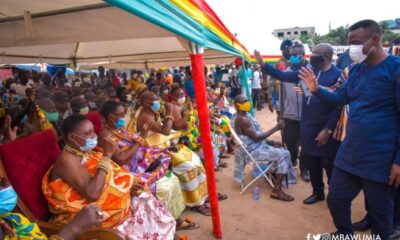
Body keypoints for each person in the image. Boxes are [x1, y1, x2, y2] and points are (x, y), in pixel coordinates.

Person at [298, 19, 400, 239]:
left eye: (356, 42)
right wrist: (316, 90)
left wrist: (399, 161)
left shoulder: (395, 69)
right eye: (349, 42)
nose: (352, 47)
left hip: (380, 156)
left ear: (375, 40)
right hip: (351, 151)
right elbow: (340, 98)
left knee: (380, 213)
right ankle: (345, 234)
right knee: (336, 199)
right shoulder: (355, 70)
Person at [42, 114, 176, 239]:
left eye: (93, 131)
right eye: (88, 133)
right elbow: (92, 193)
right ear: (71, 138)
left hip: (115, 203)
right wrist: (107, 154)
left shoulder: (82, 152)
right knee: (146, 213)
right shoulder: (67, 160)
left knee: (147, 201)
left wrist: (128, 187)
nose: (94, 136)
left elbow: (111, 174)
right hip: (87, 216)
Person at [255, 43, 342, 205]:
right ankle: (318, 193)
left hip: (326, 127)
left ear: (328, 56)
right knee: (312, 162)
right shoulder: (307, 72)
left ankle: (334, 196)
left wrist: (328, 129)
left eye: (317, 53)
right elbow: (283, 76)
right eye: (313, 52)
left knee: (329, 164)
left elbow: (339, 105)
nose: (313, 55)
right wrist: (263, 65)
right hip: (308, 124)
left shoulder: (338, 75)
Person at [137, 91, 212, 216]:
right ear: (145, 103)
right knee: (188, 167)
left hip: (164, 147)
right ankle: (195, 202)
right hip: (155, 153)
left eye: (157, 98)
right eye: (154, 99)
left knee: (195, 160)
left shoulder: (152, 113)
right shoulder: (145, 117)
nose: (157, 101)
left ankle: (202, 194)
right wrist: (169, 112)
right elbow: (165, 131)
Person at [233, 94, 295, 201]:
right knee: (285, 154)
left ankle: (272, 173)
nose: (248, 103)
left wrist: (270, 142)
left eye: (248, 100)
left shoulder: (245, 115)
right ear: (238, 105)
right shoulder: (242, 119)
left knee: (280, 147)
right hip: (253, 150)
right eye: (244, 102)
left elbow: (253, 137)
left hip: (255, 145)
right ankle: (277, 190)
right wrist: (276, 128)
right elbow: (256, 137)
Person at [0, 177, 103, 240]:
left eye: (0, 179)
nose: (6, 184)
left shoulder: (12, 219)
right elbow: (92, 193)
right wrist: (74, 228)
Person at [281, 43, 310, 182]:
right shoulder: (286, 72)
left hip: (307, 113)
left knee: (306, 142)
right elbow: (283, 93)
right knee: (290, 140)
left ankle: (304, 168)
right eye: (291, 54)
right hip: (290, 112)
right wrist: (280, 109)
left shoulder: (311, 70)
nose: (292, 57)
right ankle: (293, 159)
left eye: (295, 55)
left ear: (303, 55)